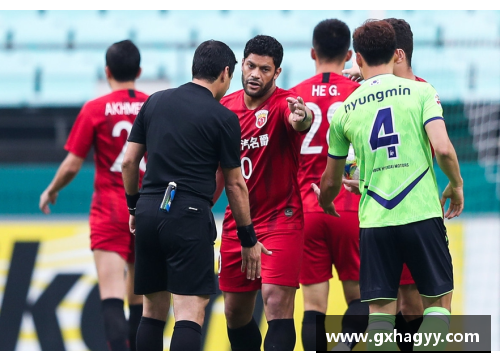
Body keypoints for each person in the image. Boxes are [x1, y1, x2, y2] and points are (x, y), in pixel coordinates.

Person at [314, 19, 463, 351]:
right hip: (422, 214)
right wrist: (456, 184)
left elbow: (330, 180)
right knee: (438, 307)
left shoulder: (345, 109)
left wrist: (327, 200)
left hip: (375, 221)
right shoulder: (423, 91)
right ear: (394, 54)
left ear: (360, 59)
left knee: (380, 315)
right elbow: (442, 148)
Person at [121, 40, 263, 351]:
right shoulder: (224, 117)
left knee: (152, 311)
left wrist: (134, 206)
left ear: (194, 68)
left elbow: (129, 162)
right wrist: (247, 237)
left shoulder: (155, 102)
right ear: (226, 73)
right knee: (189, 312)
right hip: (188, 215)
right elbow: (235, 183)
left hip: (147, 210)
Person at [39, 40, 146, 351]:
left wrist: (51, 190)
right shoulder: (154, 105)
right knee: (140, 298)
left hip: (110, 209)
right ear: (139, 71)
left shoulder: (95, 108)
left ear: (107, 71)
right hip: (145, 208)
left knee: (111, 295)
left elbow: (72, 165)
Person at [343, 17, 441, 351]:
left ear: (396, 54)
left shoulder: (422, 92)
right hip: (390, 210)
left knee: (409, 304)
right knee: (387, 305)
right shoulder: (367, 94)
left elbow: (434, 149)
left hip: (406, 208)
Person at [215, 35, 313, 351]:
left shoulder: (285, 104)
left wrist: (303, 119)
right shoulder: (224, 109)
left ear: (277, 73)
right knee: (235, 315)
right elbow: (217, 172)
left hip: (281, 221)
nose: (256, 74)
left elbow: (300, 120)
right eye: (251, 66)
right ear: (241, 65)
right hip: (237, 224)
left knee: (275, 302)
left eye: (265, 69)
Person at [288, 19, 368, 352]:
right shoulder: (359, 91)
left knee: (313, 307)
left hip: (307, 208)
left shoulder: (295, 95)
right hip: (350, 204)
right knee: (363, 299)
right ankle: (345, 347)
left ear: (312, 52)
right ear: (349, 54)